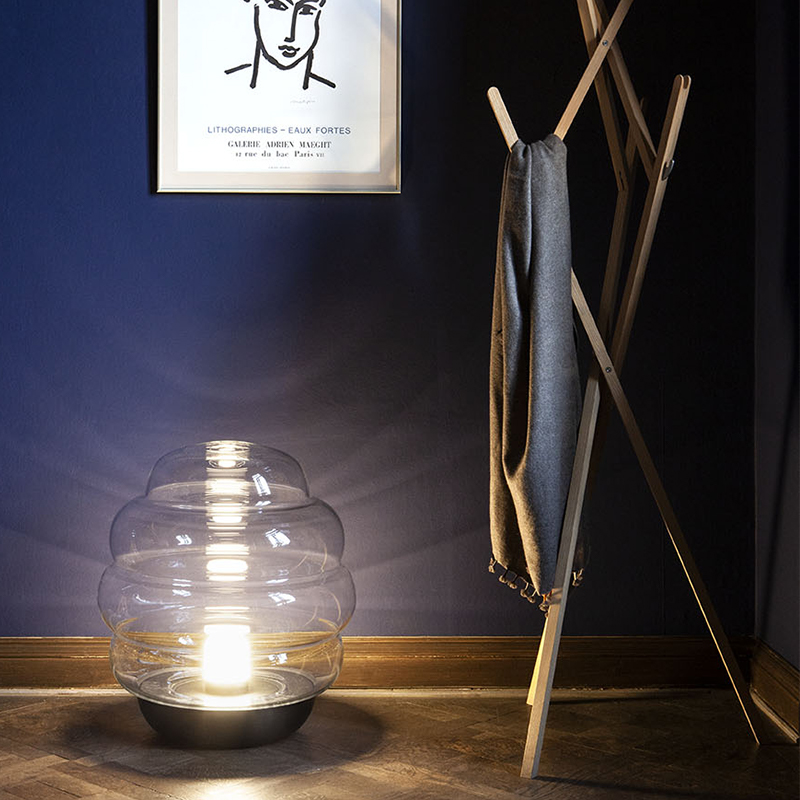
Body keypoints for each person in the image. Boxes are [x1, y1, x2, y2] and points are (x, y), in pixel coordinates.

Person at [226, 0, 335, 91]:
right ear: (256, 7)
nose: (290, 36)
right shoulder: (227, 83)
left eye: (307, 10)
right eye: (277, 5)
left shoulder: (328, 92)